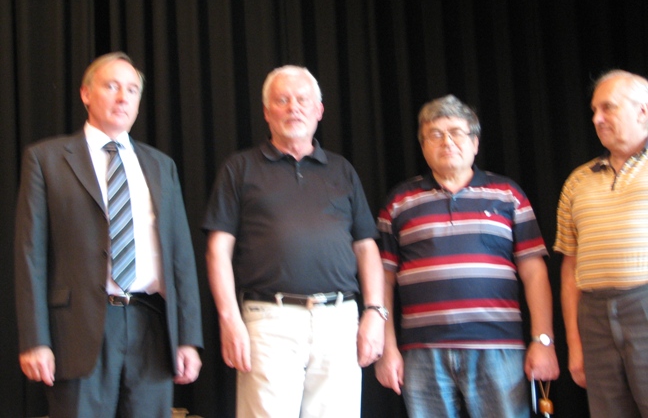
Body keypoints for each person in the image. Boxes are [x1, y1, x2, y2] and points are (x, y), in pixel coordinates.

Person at [14, 52, 203, 418]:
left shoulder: (161, 166)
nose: (122, 98)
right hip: (77, 330)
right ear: (86, 94)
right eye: (112, 86)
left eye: (132, 90)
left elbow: (181, 257)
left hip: (152, 325)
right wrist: (35, 339)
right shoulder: (46, 159)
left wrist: (188, 338)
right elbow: (30, 255)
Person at [203, 65, 386, 418]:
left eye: (302, 100)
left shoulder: (343, 170)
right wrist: (229, 318)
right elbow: (217, 251)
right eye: (282, 100)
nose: (293, 108)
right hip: (268, 320)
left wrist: (375, 313)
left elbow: (366, 248)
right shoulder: (239, 168)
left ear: (319, 110)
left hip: (339, 321)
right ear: (266, 112)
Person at [375, 94, 559, 418]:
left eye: (456, 132)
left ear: (475, 143)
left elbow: (534, 273)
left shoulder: (509, 195)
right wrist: (387, 349)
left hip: (499, 348)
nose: (446, 141)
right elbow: (383, 282)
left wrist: (543, 341)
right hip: (422, 351)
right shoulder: (399, 202)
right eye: (435, 134)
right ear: (423, 146)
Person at [555, 70, 648, 417]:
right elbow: (570, 268)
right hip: (593, 315)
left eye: (608, 107)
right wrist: (575, 344)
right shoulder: (578, 180)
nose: (597, 118)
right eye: (594, 110)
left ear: (642, 111)